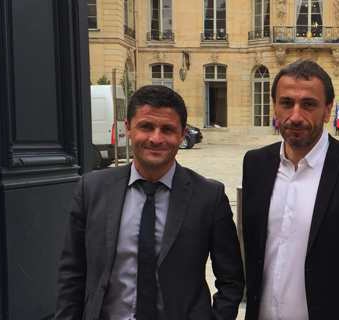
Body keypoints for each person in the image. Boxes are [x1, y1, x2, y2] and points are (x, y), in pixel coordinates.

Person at [55, 85, 244, 320]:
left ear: (182, 134)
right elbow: (72, 274)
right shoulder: (92, 190)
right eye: (146, 127)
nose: (156, 138)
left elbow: (231, 280)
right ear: (128, 128)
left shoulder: (209, 197)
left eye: (167, 129)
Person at [242, 60, 339, 320]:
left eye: (308, 104)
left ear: (328, 110)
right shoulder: (255, 164)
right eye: (286, 103)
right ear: (274, 107)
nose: (295, 116)